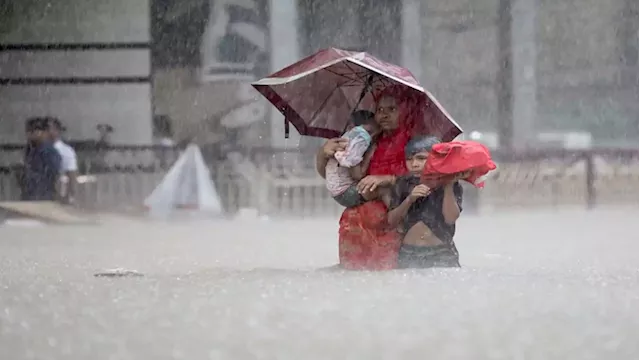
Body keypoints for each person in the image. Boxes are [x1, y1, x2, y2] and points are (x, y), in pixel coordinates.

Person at [315, 85, 425, 270]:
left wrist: (388, 179)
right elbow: (338, 178)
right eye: (380, 110)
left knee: (388, 281)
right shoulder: (366, 139)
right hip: (356, 225)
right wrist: (323, 155)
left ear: (406, 111)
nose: (384, 115)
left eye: (392, 109)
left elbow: (425, 179)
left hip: (394, 224)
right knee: (354, 284)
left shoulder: (416, 143)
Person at [387, 136, 468, 269]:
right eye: (409, 159)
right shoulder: (402, 184)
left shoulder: (450, 183)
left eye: (421, 158)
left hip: (441, 252)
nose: (414, 164)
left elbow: (450, 218)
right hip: (409, 252)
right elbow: (391, 221)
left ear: (435, 158)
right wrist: (409, 199)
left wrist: (448, 187)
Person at [325, 110, 381, 208]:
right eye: (369, 132)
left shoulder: (349, 137)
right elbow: (357, 175)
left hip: (337, 190)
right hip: (345, 193)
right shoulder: (357, 142)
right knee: (384, 191)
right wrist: (370, 153)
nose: (370, 137)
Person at [22, 117, 61, 201]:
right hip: (32, 193)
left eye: (34, 131)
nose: (30, 135)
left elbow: (53, 173)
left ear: (44, 132)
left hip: (44, 194)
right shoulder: (32, 150)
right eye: (29, 132)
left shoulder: (49, 151)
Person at [47, 117, 79, 204]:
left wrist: (70, 196)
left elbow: (72, 176)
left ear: (57, 131)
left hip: (60, 194)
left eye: (50, 128)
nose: (47, 132)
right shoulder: (37, 150)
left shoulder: (66, 151)